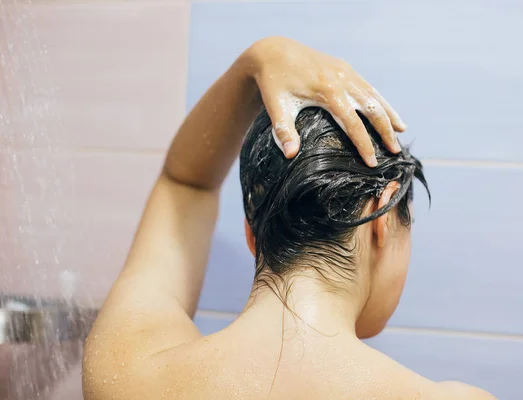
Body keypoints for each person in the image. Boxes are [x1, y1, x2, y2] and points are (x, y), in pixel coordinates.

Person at [83, 36, 496, 400]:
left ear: (252, 234)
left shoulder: (129, 373)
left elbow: (185, 183)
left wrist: (258, 60)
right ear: (381, 217)